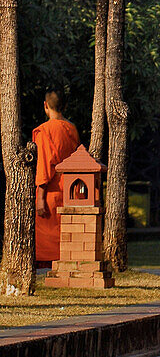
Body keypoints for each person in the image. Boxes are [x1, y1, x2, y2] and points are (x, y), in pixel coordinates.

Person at [32, 88, 80, 266]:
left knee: (48, 236)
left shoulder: (45, 130)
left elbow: (44, 163)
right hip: (69, 188)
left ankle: (49, 267)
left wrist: (40, 197)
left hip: (50, 190)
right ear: (65, 106)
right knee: (65, 232)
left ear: (45, 105)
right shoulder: (71, 129)